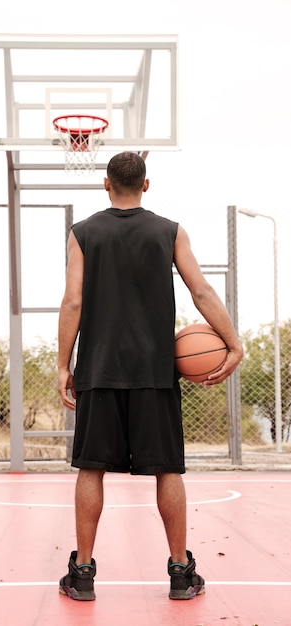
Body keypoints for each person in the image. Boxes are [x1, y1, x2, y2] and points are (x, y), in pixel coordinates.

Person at [57, 151, 243, 602]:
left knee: (91, 468)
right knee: (167, 470)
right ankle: (180, 572)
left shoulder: (83, 233)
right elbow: (200, 289)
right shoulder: (171, 231)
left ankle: (83, 574)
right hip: (155, 371)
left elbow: (74, 302)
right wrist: (233, 342)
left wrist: (64, 365)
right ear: (146, 184)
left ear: (105, 184)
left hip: (99, 369)